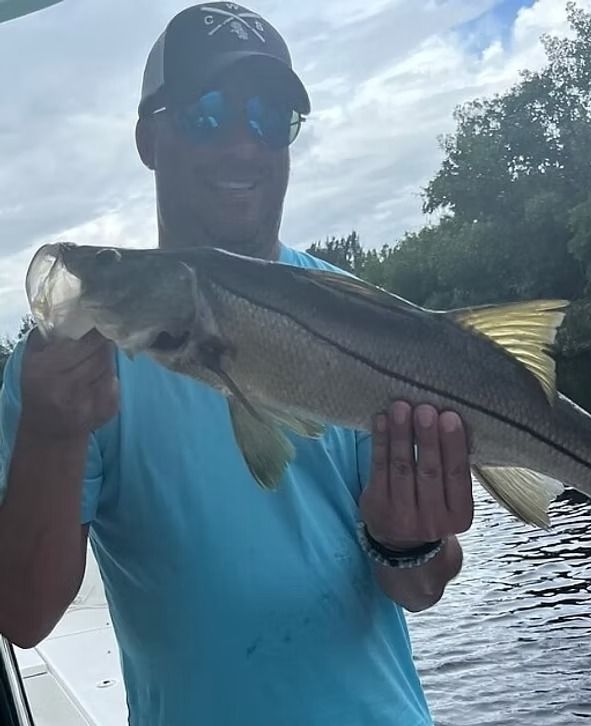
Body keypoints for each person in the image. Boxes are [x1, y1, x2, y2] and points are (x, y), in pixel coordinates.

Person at [0, 4, 474, 724]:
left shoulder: (359, 319)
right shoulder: (62, 374)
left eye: (269, 119)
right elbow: (23, 616)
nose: (244, 147)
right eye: (208, 113)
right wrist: (51, 435)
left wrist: (410, 543)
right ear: (148, 137)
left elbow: (421, 587)